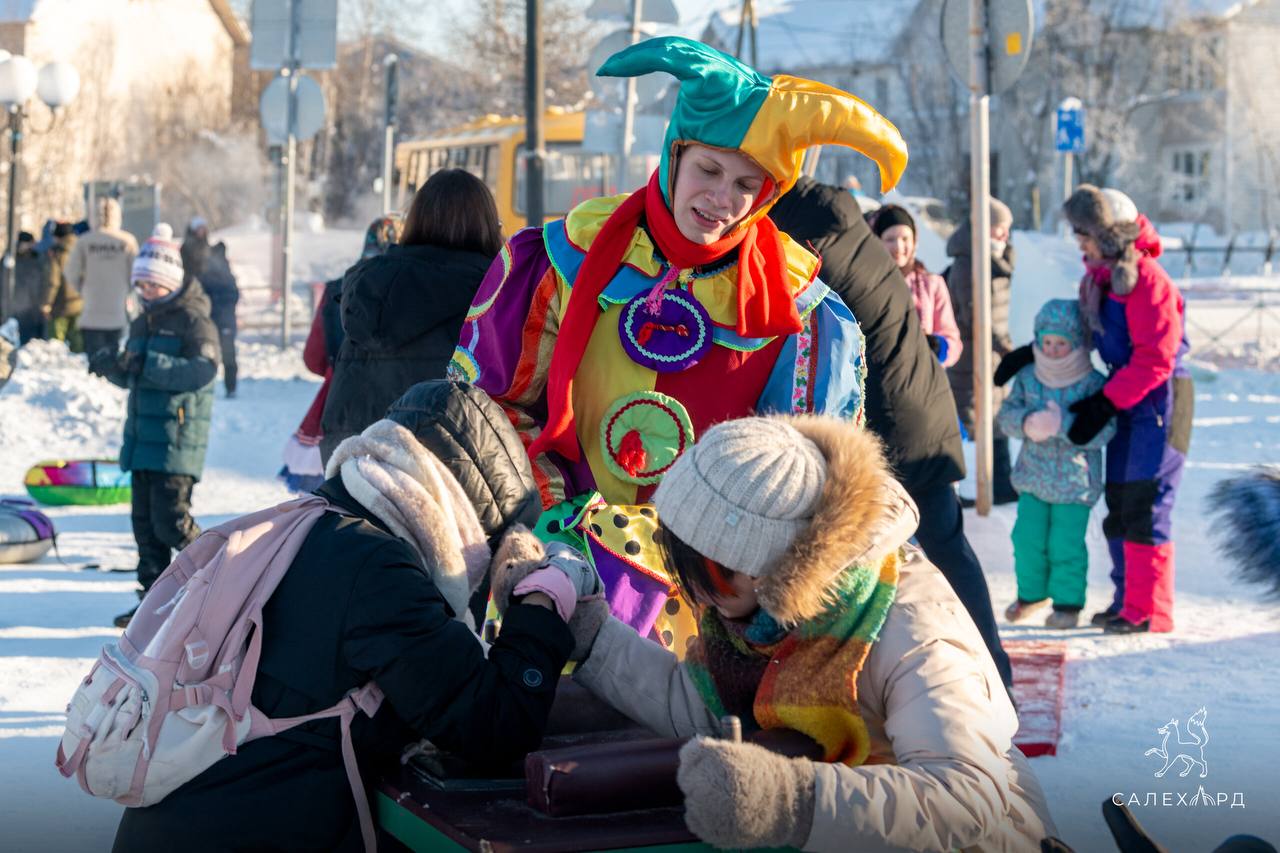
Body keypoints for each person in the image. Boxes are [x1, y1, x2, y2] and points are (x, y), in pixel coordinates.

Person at [451, 37, 907, 656]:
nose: (722, 199)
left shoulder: (804, 314)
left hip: (708, 611)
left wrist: (745, 589)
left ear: (770, 194)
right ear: (673, 155)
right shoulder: (560, 262)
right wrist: (555, 529)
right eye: (709, 170)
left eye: (748, 183)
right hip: (551, 576)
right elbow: (489, 413)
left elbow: (806, 482)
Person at [112, 381, 587, 852]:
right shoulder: (379, 572)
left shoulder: (312, 521)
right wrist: (543, 601)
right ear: (460, 511)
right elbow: (494, 725)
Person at [542, 415, 1055, 851]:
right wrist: (590, 636)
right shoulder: (755, 618)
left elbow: (964, 796)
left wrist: (791, 798)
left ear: (767, 568)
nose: (696, 596)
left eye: (708, 574)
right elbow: (705, 708)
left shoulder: (911, 628)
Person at [769, 177, 1013, 689]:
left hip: (900, 428)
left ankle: (979, 675)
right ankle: (987, 670)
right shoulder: (849, 235)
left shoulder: (821, 259)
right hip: (919, 415)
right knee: (941, 552)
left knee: (910, 555)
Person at [1061, 185, 1190, 634]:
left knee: (1145, 502)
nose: (1080, 243)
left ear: (1112, 236)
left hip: (1161, 401)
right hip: (1128, 398)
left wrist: (1104, 402)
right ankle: (1126, 601)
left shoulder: (1148, 280)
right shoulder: (1101, 278)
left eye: (1086, 235)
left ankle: (1150, 610)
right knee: (1118, 500)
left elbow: (1158, 357)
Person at [88, 224, 219, 629]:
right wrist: (114, 365)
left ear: (171, 282)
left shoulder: (194, 321)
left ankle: (219, 576)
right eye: (140, 285)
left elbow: (203, 371)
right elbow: (137, 373)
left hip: (175, 441)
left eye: (152, 285)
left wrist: (149, 364)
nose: (145, 292)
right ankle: (153, 605)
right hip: (143, 439)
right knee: (144, 528)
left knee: (171, 522)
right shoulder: (143, 322)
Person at [320, 171, 501, 463]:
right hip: (456, 483)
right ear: (489, 226)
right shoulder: (497, 296)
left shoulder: (370, 287)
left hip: (358, 476)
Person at [996, 298, 1113, 629]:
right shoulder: (1029, 377)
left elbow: (1106, 429)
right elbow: (1006, 415)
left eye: (1061, 343)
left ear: (1077, 343)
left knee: (1065, 545)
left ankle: (1067, 603)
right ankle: (1030, 595)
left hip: (1074, 483)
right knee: (1027, 540)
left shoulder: (1092, 382)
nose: (1053, 349)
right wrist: (1027, 422)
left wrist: (1064, 426)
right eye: (1047, 342)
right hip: (1033, 477)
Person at [280, 216, 399, 492]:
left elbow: (314, 358)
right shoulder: (405, 292)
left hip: (338, 402)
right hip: (391, 411)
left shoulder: (338, 287)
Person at [946, 196, 1017, 505]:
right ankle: (965, 488)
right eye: (1000, 228)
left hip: (993, 354)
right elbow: (976, 315)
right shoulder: (967, 262)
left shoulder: (995, 257)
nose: (1004, 235)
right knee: (969, 418)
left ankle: (1000, 482)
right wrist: (1007, 347)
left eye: (1007, 229)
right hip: (972, 357)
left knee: (996, 415)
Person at [872, 204, 962, 367]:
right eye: (890, 239)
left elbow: (953, 341)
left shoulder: (931, 284)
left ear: (915, 241)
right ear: (877, 242)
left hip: (921, 379)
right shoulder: (867, 284)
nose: (899, 246)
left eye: (905, 238)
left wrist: (936, 346)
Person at [66, 197, 139, 357]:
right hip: (118, 314)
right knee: (114, 362)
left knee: (94, 362)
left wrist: (83, 289)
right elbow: (136, 275)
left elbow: (71, 272)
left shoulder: (84, 241)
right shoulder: (127, 241)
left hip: (91, 314)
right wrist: (126, 290)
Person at [183, 218, 241, 398]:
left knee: (227, 352)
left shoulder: (216, 254)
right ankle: (200, 385)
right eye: (197, 229)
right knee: (200, 350)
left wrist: (229, 301)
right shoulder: (187, 253)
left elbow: (231, 287)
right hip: (202, 310)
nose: (201, 232)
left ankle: (230, 388)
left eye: (203, 228)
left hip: (222, 310)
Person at [40, 222, 81, 351]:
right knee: (78, 345)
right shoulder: (82, 250)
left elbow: (53, 281)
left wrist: (47, 304)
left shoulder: (57, 253)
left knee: (56, 345)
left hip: (60, 305)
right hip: (80, 303)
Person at [12, 232, 46, 342]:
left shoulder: (38, 258)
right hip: (17, 309)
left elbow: (43, 283)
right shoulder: (10, 260)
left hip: (33, 309)